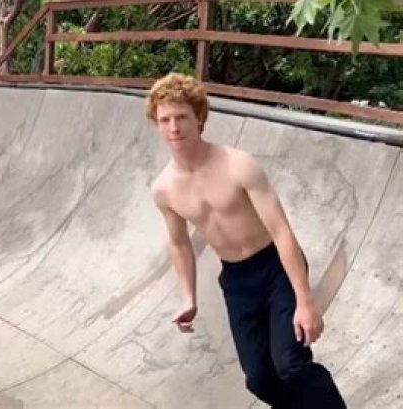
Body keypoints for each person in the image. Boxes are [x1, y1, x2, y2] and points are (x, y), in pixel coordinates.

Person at [146, 72, 346, 408]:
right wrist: (188, 297)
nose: (174, 127)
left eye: (182, 117)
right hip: (237, 280)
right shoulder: (164, 189)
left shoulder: (238, 164)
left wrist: (304, 301)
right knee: (260, 379)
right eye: (165, 120)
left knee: (292, 366)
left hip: (275, 267)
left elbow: (281, 231)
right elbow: (179, 243)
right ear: (157, 125)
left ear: (199, 119)